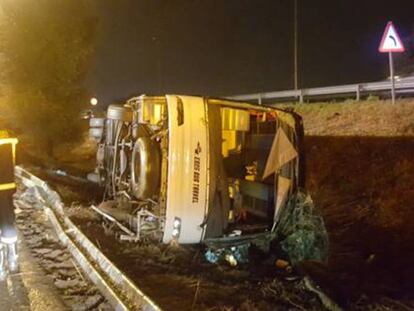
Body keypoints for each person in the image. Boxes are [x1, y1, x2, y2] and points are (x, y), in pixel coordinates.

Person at [0, 130, 18, 279]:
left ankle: (0, 268)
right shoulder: (9, 142)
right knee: (7, 220)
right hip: (6, 189)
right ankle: (12, 259)